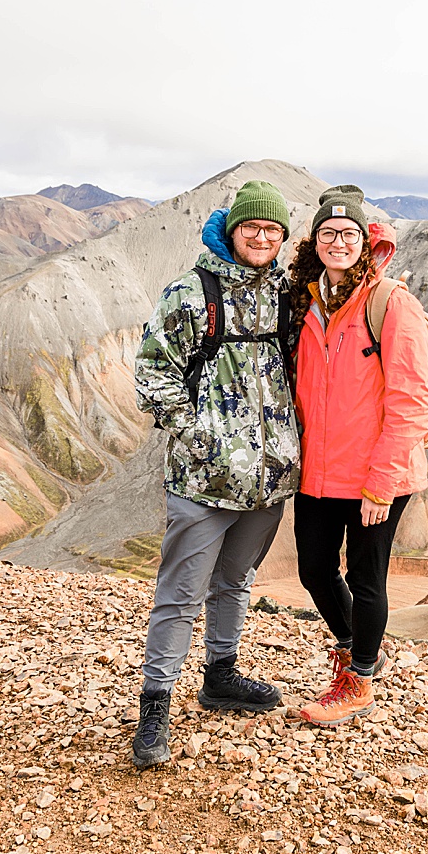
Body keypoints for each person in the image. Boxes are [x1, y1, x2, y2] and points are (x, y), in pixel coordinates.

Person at [130, 179, 300, 768]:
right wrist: (198, 436)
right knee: (180, 594)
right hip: (203, 481)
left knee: (234, 583)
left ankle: (220, 677)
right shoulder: (191, 292)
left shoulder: (286, 295)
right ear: (232, 230)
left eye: (272, 229)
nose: (261, 236)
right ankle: (155, 708)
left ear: (282, 238)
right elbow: (153, 367)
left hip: (269, 481)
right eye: (252, 227)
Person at [287, 186, 428, 727]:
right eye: (329, 233)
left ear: (364, 242)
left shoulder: (390, 303)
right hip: (320, 470)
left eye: (349, 234)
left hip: (376, 472)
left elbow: (411, 397)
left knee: (367, 577)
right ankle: (358, 648)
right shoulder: (307, 302)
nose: (339, 242)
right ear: (316, 242)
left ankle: (359, 679)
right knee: (314, 569)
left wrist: (382, 481)